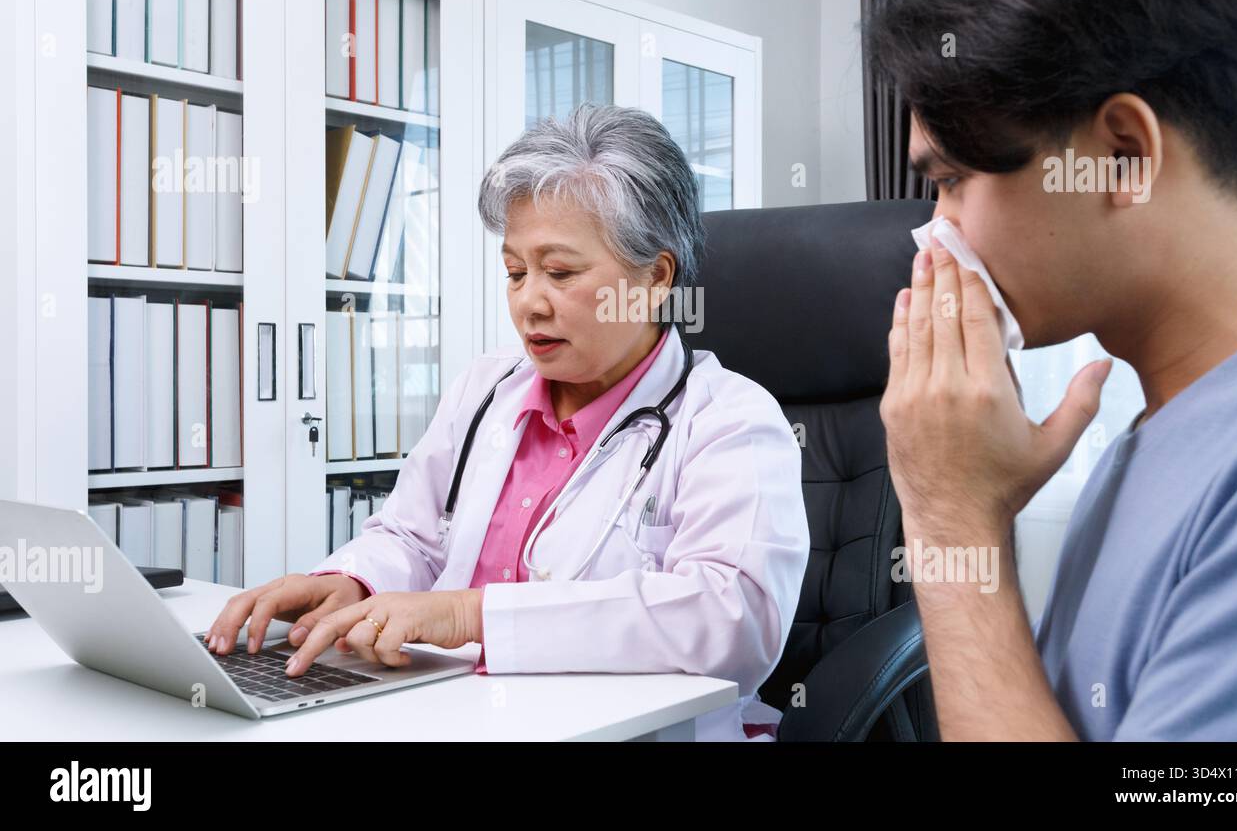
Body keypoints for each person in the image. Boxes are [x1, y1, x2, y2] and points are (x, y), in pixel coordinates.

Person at [206, 103, 810, 741]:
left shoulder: (729, 421)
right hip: (450, 717)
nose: (528, 302)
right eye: (515, 272)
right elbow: (413, 537)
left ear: (654, 278)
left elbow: (733, 619)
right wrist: (349, 581)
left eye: (559, 272)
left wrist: (476, 615)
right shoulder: (486, 388)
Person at [868, 0, 1237, 739]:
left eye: (954, 178)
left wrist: (949, 520)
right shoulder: (1158, 433)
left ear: (1124, 156)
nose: (936, 232)